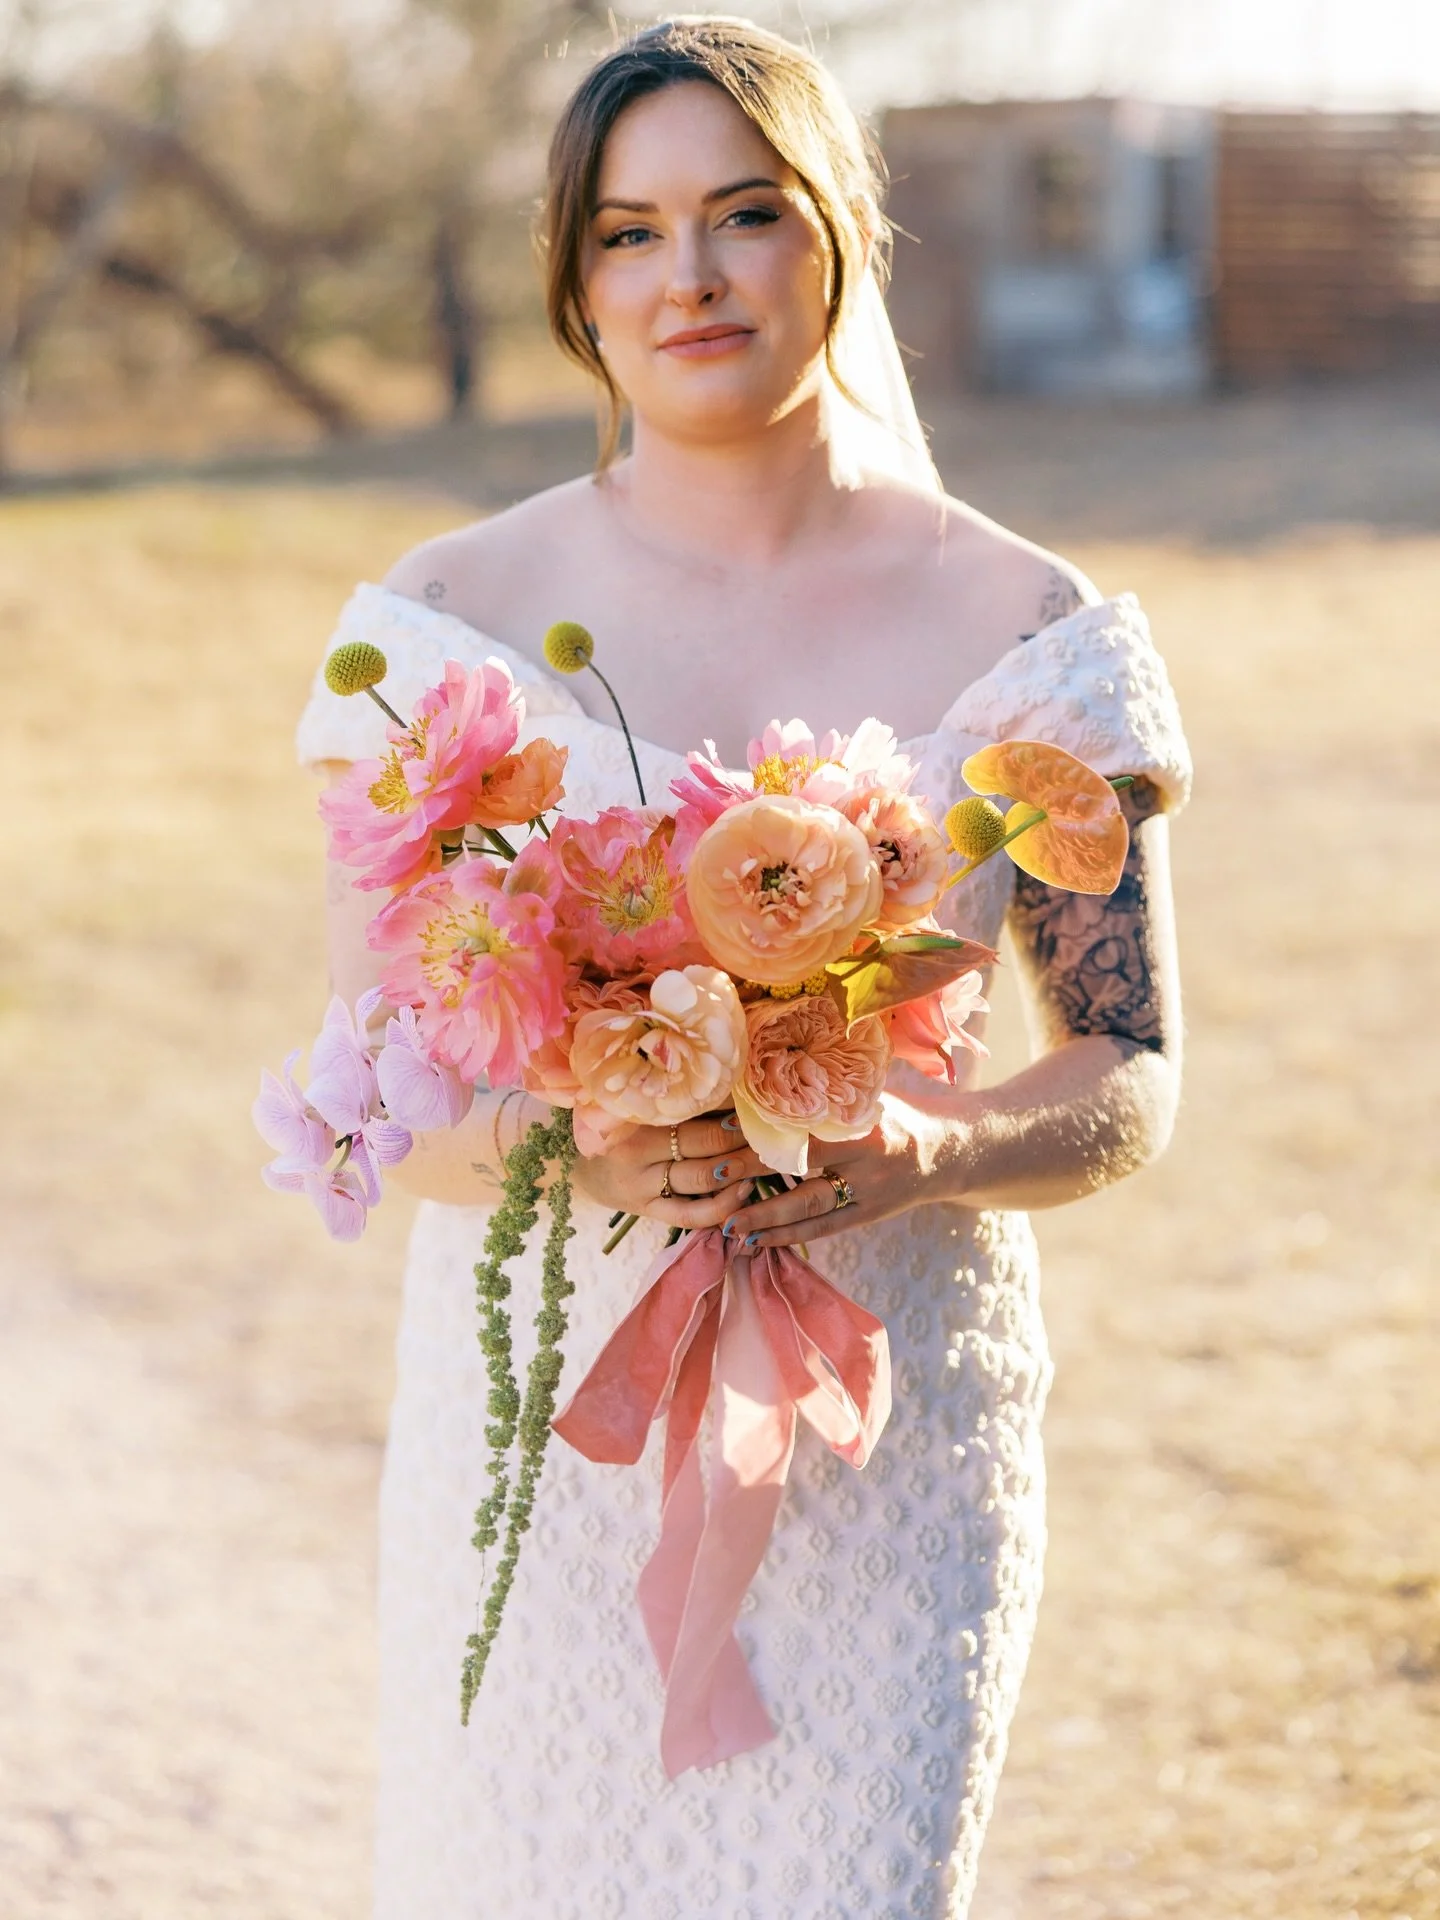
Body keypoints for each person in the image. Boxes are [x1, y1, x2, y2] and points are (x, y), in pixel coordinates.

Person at [296, 19, 1192, 1918]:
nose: (687, 275)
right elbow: (379, 1090)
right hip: (541, 1458)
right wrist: (585, 1145)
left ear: (841, 229)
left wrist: (936, 1150)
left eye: (743, 214)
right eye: (628, 234)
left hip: (895, 1449)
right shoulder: (445, 628)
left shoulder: (1027, 627)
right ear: (576, 286)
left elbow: (1128, 1065)